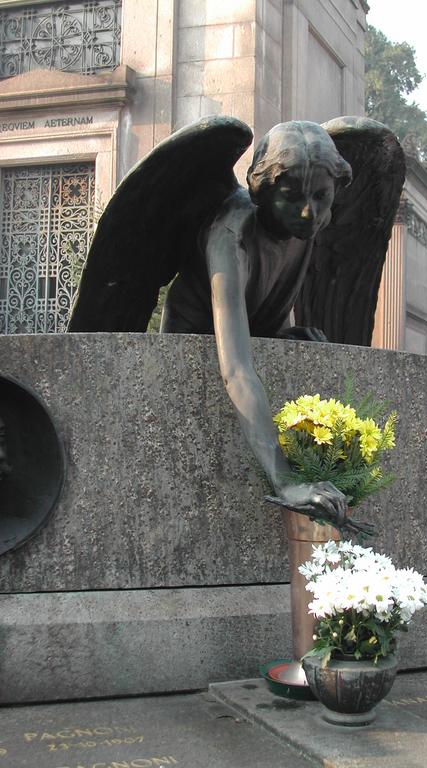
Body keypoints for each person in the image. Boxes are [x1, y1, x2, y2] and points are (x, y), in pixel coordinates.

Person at [162, 121, 355, 531]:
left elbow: (269, 286)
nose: (310, 212)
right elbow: (234, 368)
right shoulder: (229, 233)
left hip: (247, 342)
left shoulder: (304, 225)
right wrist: (286, 483)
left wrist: (281, 330)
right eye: (291, 197)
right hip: (192, 356)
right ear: (262, 191)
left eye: (322, 197)